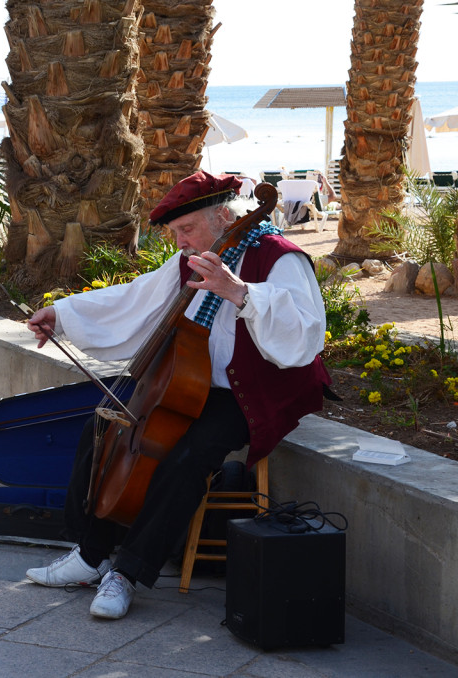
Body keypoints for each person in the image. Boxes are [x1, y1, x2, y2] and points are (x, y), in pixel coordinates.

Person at [24, 170, 331, 620]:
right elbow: (137, 299)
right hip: (193, 381)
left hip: (254, 389)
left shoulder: (278, 256)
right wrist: (62, 314)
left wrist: (239, 292)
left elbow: (304, 333)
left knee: (190, 456)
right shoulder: (195, 255)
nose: (180, 242)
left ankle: (127, 573)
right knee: (103, 426)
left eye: (186, 230)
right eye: (175, 234)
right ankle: (90, 555)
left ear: (224, 216)